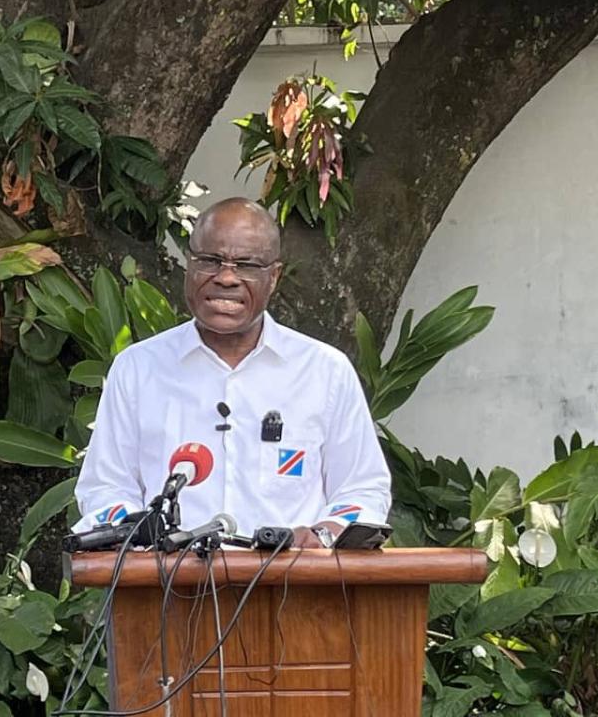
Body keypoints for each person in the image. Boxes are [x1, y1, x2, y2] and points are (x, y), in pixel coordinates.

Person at [72, 197, 391, 547]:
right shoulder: (138, 369)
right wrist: (137, 537)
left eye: (246, 265)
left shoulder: (324, 372)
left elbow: (363, 491)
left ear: (274, 277)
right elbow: (104, 489)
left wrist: (321, 535)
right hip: (165, 590)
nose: (226, 277)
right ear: (189, 265)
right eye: (210, 261)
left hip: (292, 591)